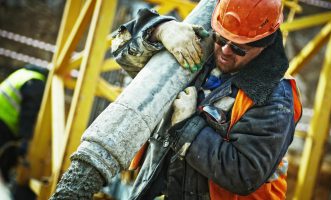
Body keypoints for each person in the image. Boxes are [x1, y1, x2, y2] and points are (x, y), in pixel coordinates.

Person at [51, 0, 302, 199]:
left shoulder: (275, 98)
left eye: (238, 48)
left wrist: (186, 128)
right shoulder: (202, 49)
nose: (224, 52)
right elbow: (121, 49)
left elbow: (244, 173)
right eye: (221, 40)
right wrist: (158, 30)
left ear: (264, 45)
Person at [0, 64, 48, 182]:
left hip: (3, 119)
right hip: (4, 122)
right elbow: (28, 113)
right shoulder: (36, 82)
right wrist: (25, 139)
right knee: (7, 159)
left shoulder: (23, 73)